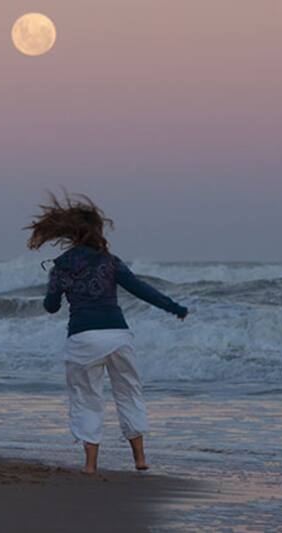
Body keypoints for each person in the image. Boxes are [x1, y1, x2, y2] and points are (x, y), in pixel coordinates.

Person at [27, 192, 187, 474]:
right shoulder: (110, 261)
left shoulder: (61, 265)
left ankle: (90, 464)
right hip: (118, 335)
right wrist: (173, 307)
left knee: (86, 397)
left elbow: (51, 307)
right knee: (129, 392)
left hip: (82, 338)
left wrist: (57, 288)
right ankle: (139, 459)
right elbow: (140, 289)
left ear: (70, 233)